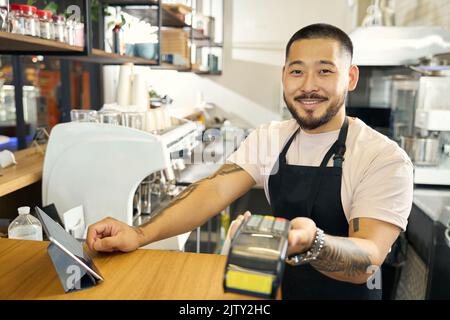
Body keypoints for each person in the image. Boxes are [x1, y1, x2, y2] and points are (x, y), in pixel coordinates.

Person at [86, 23, 413, 300]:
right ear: (284, 76)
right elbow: (212, 192)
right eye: (297, 71)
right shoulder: (271, 137)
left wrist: (313, 242)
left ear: (351, 77)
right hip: (280, 291)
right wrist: (139, 235)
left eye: (325, 71)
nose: (308, 85)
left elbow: (368, 260)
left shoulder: (381, 157)